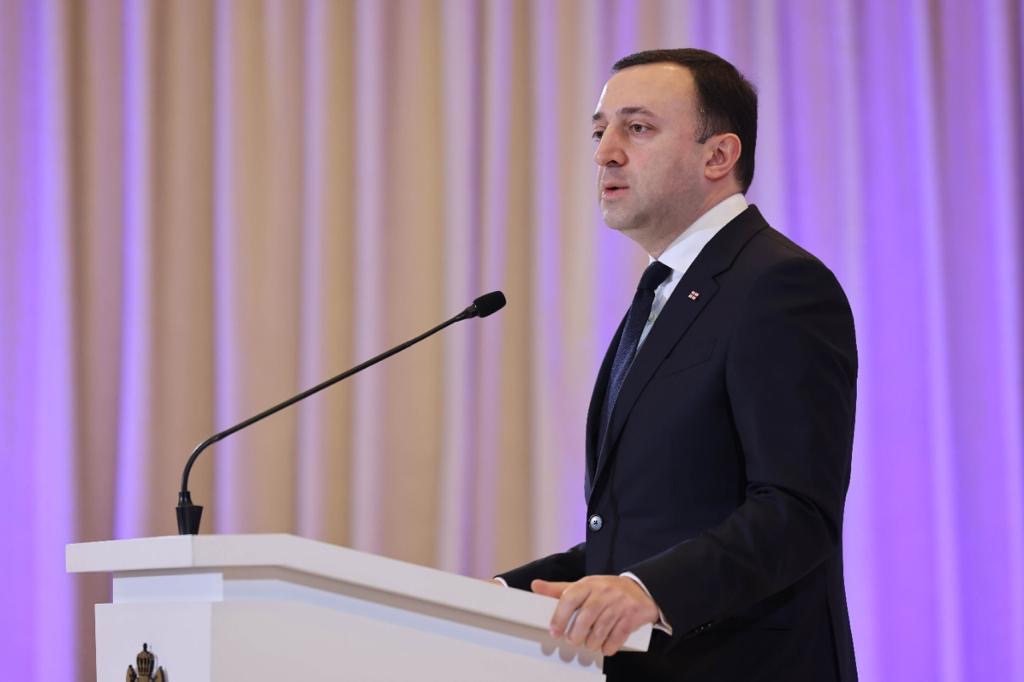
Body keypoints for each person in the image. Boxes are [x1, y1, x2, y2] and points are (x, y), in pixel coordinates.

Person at [495, 48, 859, 681]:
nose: (605, 153)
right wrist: (503, 594)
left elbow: (797, 511)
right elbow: (648, 530)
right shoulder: (667, 293)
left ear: (718, 156)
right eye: (599, 131)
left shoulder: (780, 286)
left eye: (637, 128)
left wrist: (647, 590)